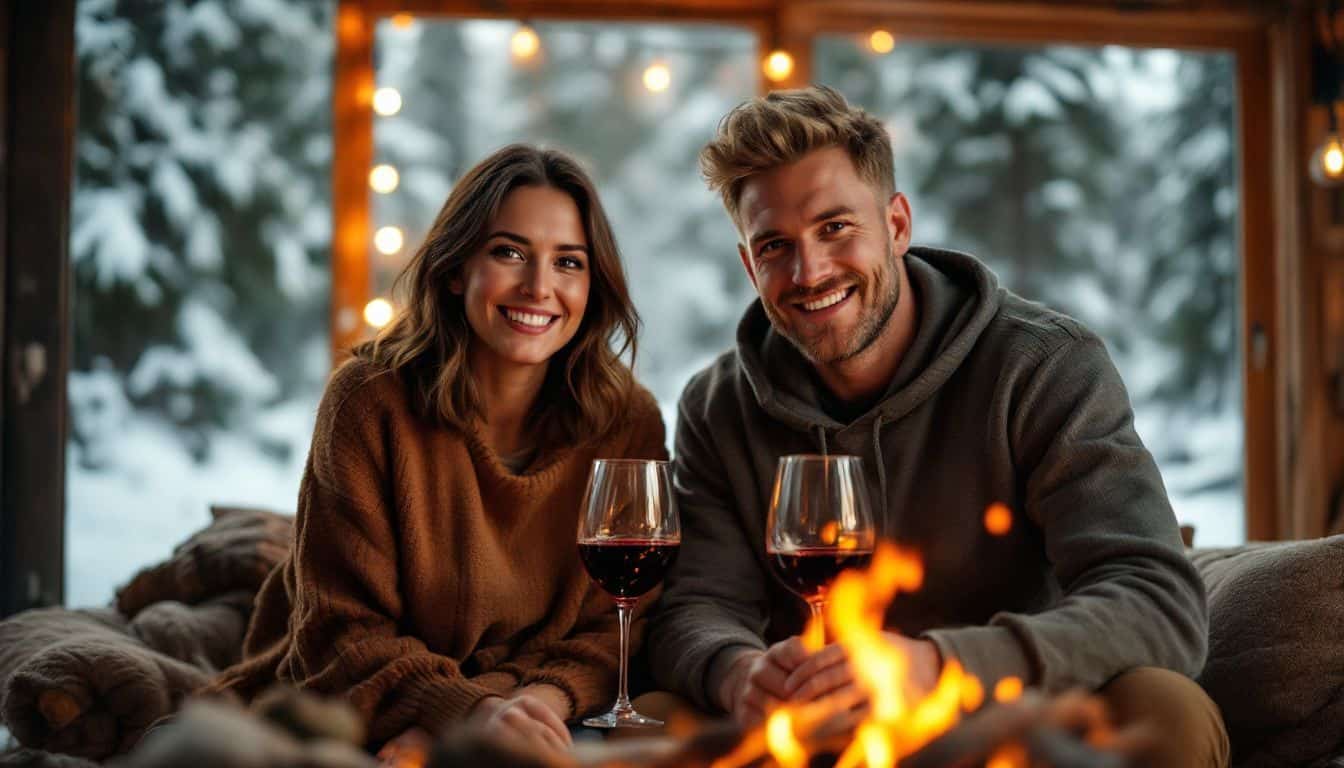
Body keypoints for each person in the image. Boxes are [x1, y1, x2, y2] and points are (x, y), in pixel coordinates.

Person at [645, 86, 1228, 767]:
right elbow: (697, 606)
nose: (809, 272)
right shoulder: (717, 405)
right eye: (775, 245)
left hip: (1008, 711)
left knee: (1168, 709)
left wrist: (935, 665)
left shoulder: (1043, 366)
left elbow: (1158, 600)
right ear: (750, 264)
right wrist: (735, 670)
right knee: (652, 718)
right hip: (817, 730)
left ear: (896, 224)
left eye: (836, 228)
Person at [208, 144, 666, 757]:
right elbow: (341, 637)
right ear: (456, 269)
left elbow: (619, 632)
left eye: (569, 262)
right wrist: (467, 710)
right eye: (509, 253)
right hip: (347, 702)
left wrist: (512, 711)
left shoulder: (627, 419)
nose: (538, 287)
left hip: (541, 712)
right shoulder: (369, 401)